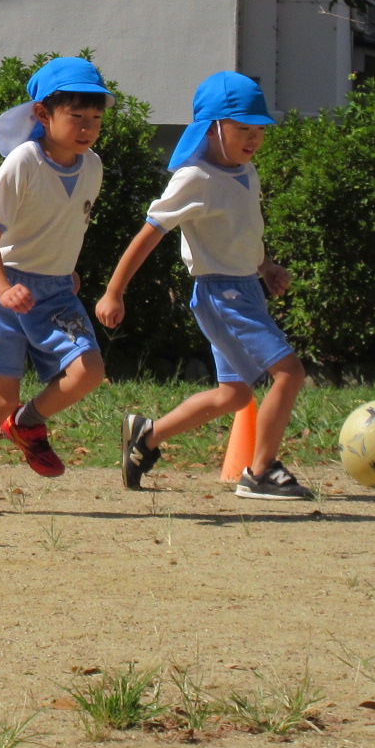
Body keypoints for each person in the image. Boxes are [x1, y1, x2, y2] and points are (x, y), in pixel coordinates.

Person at [97, 70, 311, 501]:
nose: (253, 138)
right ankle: (261, 471)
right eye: (242, 128)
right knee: (289, 373)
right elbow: (149, 234)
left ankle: (146, 436)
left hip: (245, 287)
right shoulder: (194, 177)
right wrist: (114, 291)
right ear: (212, 127)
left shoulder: (245, 171)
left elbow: (243, 231)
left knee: (233, 395)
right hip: (221, 294)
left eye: (259, 129)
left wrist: (265, 265)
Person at [0, 57, 114, 516]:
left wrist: (65, 269)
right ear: (42, 114)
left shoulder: (92, 166)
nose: (87, 128)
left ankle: (28, 423)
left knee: (88, 372)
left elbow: (70, 223)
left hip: (54, 289)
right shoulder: (23, 162)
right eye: (76, 116)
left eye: (95, 118)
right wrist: (1, 289)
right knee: (1, 396)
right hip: (4, 286)